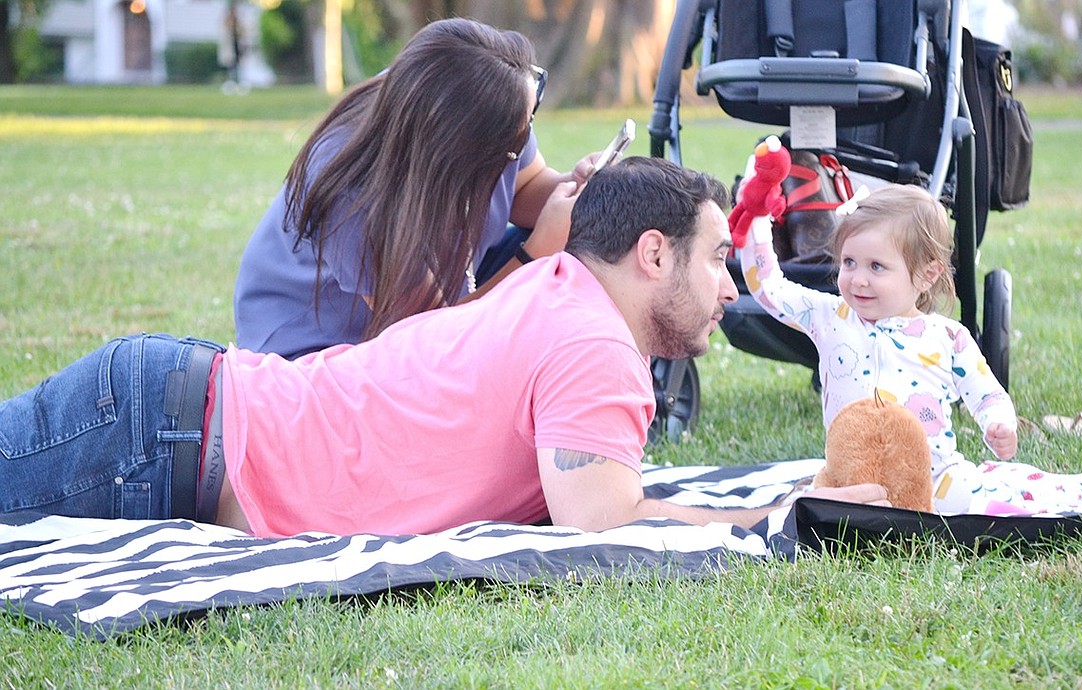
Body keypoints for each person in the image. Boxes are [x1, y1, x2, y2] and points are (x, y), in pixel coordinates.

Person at [0, 157, 889, 538]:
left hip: (172, 414)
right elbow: (604, 520)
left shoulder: (553, 290)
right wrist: (777, 519)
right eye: (716, 261)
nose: (730, 290)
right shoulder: (593, 345)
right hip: (163, 444)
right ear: (652, 255)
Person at [233, 17, 599, 359]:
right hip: (319, 357)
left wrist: (575, 189)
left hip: (442, 305)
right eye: (512, 141)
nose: (522, 140)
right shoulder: (354, 195)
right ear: (455, 152)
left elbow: (527, 186)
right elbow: (439, 344)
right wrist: (533, 255)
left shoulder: (487, 102)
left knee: (583, 256)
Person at [736, 182, 1018, 512]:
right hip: (850, 478)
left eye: (876, 267)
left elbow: (986, 392)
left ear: (927, 275)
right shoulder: (831, 317)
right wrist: (756, 218)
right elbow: (768, 287)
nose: (857, 279)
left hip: (931, 478)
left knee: (968, 500)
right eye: (849, 262)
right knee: (808, 509)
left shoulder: (947, 337)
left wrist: (999, 423)